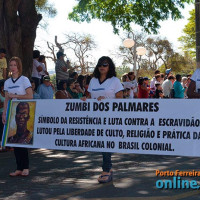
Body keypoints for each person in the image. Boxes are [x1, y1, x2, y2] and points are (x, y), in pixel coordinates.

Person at [87, 56, 123, 183]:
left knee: (106, 141)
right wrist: (85, 100)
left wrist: (107, 101)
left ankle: (106, 169)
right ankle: (108, 167)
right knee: (102, 143)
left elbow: (120, 99)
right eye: (100, 64)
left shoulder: (115, 81)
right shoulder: (93, 81)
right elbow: (90, 97)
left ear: (110, 67)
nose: (102, 66)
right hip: (96, 117)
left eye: (105, 64)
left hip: (110, 117)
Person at [2, 57, 33, 177]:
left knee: (22, 140)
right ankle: (18, 168)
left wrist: (16, 95)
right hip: (12, 112)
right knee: (14, 140)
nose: (12, 67)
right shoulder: (7, 82)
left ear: (19, 67)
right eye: (11, 65)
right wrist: (4, 113)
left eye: (15, 65)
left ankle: (25, 167)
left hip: (22, 111)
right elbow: (6, 99)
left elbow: (30, 96)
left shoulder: (24, 80)